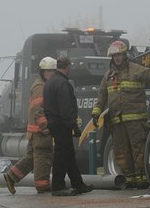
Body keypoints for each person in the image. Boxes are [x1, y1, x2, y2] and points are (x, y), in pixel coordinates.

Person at [91, 40, 150, 189]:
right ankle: (130, 178)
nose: (117, 58)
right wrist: (96, 113)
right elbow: (101, 96)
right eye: (114, 56)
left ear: (124, 55)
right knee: (121, 151)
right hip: (117, 122)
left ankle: (142, 179)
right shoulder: (108, 76)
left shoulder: (135, 69)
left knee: (139, 149)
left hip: (136, 122)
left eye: (119, 55)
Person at [3, 56, 57, 194]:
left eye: (53, 71)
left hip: (37, 130)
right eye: (48, 71)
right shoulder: (40, 87)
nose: (51, 74)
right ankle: (42, 186)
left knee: (33, 157)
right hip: (40, 131)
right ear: (42, 72)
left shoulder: (43, 84)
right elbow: (38, 109)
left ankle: (11, 176)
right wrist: (45, 127)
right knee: (42, 157)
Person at [43, 56, 94, 196]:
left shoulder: (50, 82)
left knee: (69, 154)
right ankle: (58, 186)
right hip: (62, 124)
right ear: (67, 67)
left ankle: (78, 184)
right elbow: (66, 108)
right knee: (61, 154)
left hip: (54, 122)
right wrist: (74, 126)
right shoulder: (62, 83)